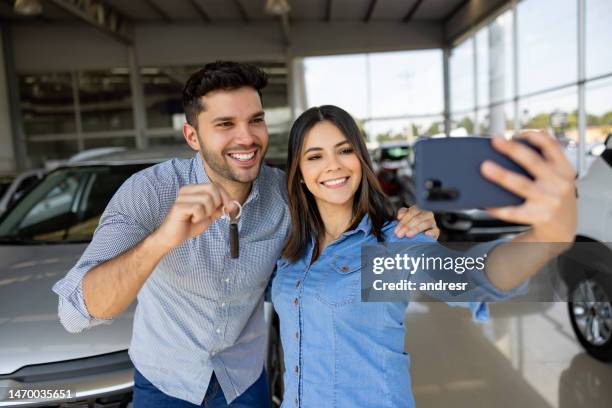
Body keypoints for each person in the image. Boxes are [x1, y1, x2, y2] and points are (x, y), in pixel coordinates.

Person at [52, 62, 438, 408]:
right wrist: (161, 240)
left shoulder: (286, 196)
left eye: (255, 120)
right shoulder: (149, 193)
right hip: (167, 384)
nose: (247, 138)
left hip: (245, 384)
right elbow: (74, 313)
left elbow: (338, 238)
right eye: (225, 125)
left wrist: (407, 225)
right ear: (192, 136)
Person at [271, 105, 576, 407]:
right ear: (299, 174)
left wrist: (547, 238)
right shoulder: (289, 251)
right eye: (315, 156)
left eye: (345, 151)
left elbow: (469, 277)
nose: (333, 165)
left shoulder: (393, 243)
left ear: (361, 160)